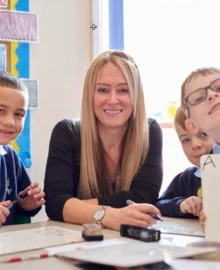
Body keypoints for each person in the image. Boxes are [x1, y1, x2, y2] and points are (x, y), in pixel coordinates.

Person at [44, 50, 163, 231]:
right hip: (78, 242)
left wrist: (76, 207)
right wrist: (107, 215)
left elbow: (145, 196)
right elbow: (54, 204)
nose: (113, 100)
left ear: (136, 96)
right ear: (89, 95)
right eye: (102, 90)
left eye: (123, 90)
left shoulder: (150, 131)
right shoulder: (66, 132)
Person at [0, 71, 45, 226]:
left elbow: (20, 208)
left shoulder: (10, 157)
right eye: (0, 111)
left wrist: (27, 205)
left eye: (19, 114)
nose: (10, 122)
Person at [155, 107, 214, 218]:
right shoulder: (187, 178)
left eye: (203, 134)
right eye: (186, 140)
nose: (195, 144)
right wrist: (180, 205)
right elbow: (158, 205)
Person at [181, 67, 220, 226]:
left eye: (219, 88)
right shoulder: (211, 170)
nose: (212, 94)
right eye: (198, 98)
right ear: (192, 126)